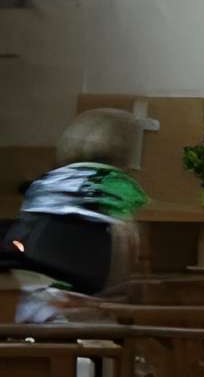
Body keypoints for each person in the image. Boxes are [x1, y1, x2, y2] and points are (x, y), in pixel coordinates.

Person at [4, 107, 155, 313]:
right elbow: (125, 235)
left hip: (28, 264)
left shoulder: (49, 179)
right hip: (84, 267)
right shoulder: (116, 182)